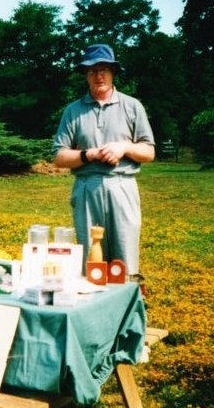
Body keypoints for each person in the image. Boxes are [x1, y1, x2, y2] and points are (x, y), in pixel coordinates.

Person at [52, 44, 155, 278]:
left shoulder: (132, 106)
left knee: (125, 259)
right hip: (87, 188)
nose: (99, 76)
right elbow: (59, 157)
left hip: (123, 187)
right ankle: (93, 308)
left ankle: (126, 310)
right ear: (85, 75)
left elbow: (148, 152)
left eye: (104, 70)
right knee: (92, 260)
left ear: (113, 73)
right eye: (92, 70)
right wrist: (89, 154)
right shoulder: (73, 111)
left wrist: (124, 147)